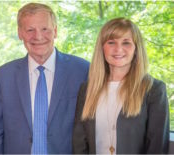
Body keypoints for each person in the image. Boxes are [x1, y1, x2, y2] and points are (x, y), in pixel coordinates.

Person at [0, 2, 89, 154]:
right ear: (20, 33)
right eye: (30, 30)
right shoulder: (2, 77)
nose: (38, 36)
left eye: (45, 29)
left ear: (55, 31)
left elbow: (91, 129)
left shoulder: (83, 70)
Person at [72, 17, 169, 154]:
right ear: (102, 48)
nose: (118, 49)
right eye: (111, 42)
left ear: (136, 49)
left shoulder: (153, 89)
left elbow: (157, 147)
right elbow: (79, 144)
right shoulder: (87, 89)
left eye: (126, 43)